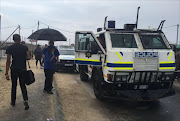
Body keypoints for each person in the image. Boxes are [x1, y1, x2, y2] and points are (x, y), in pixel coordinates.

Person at [5, 34, 31, 110]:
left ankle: (13, 102)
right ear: (20, 39)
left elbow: (8, 61)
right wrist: (27, 53)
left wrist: (6, 72)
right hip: (22, 69)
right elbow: (29, 58)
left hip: (14, 68)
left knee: (14, 85)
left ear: (13, 39)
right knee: (23, 85)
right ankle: (25, 99)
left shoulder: (10, 48)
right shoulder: (25, 47)